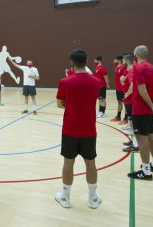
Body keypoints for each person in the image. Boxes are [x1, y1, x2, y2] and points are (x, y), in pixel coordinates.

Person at [55, 49, 102, 209]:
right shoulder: (96, 82)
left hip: (70, 129)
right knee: (91, 162)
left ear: (72, 63)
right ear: (86, 61)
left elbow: (59, 103)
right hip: (89, 130)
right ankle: (93, 198)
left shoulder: (65, 81)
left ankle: (66, 198)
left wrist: (72, 104)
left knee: (69, 162)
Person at [127, 45, 153, 180]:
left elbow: (142, 91)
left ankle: (146, 172)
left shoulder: (138, 68)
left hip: (141, 110)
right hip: (150, 110)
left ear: (136, 54)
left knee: (142, 139)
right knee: (151, 136)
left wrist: (151, 105)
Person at [120, 53, 139, 152]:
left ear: (127, 61)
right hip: (129, 100)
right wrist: (123, 82)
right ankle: (134, 142)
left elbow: (132, 85)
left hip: (130, 100)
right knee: (131, 122)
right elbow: (127, 83)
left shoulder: (131, 71)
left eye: (123, 60)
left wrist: (127, 94)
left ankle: (135, 145)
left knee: (132, 124)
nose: (122, 62)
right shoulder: (128, 71)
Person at [111, 56, 126, 122]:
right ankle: (118, 116)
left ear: (119, 60)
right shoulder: (117, 68)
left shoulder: (123, 67)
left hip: (122, 89)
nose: (114, 62)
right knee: (119, 103)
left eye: (115, 60)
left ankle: (126, 118)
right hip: (118, 89)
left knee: (125, 104)